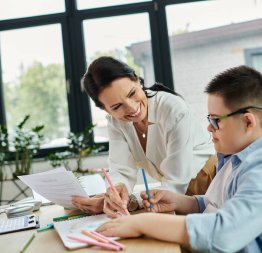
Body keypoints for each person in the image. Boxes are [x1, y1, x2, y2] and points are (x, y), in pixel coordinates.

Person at [96, 65, 262, 253]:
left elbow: (223, 232)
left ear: (247, 121)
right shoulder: (234, 158)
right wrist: (182, 202)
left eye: (216, 120)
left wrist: (141, 223)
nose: (209, 127)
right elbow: (216, 204)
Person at [72, 56, 216, 217]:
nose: (132, 108)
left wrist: (132, 201)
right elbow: (121, 169)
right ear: (106, 110)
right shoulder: (115, 122)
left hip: (208, 182)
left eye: (132, 93)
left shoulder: (172, 108)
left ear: (138, 80)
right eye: (117, 106)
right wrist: (117, 193)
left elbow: (175, 182)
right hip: (175, 193)